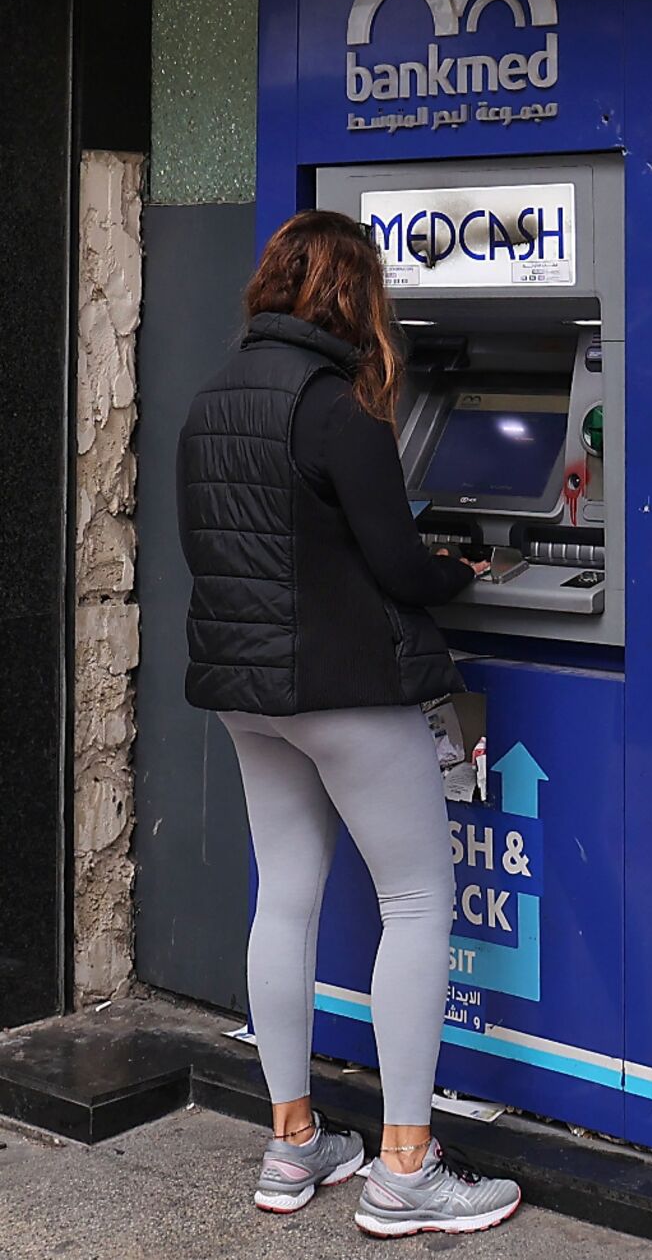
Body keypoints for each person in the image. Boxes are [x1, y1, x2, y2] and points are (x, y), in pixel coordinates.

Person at [176, 210, 521, 1238]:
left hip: (246, 694)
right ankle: (406, 1167)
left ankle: (295, 1143)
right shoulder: (337, 408)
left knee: (285, 894)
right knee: (416, 898)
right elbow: (400, 565)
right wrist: (463, 569)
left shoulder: (213, 396)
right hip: (342, 690)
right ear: (353, 297)